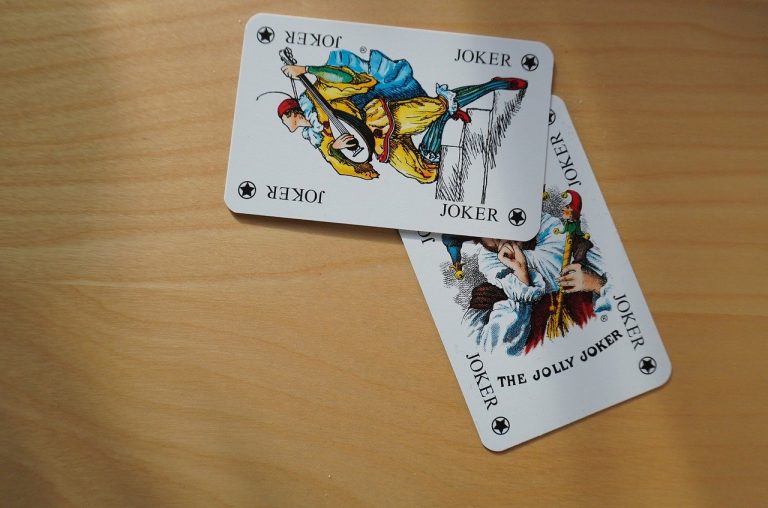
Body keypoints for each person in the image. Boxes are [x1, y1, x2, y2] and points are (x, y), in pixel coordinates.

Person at [278, 49, 528, 182]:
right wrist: (336, 147)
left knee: (438, 106)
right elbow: (340, 162)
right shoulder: (316, 137)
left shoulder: (318, 95)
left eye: (284, 117)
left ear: (292, 112)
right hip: (381, 145)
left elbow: (346, 78)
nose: (285, 122)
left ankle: (493, 85)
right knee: (426, 173)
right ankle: (442, 121)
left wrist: (307, 69)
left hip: (382, 117)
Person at [447, 191, 611, 356]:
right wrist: (522, 275)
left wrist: (595, 283)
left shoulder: (573, 245)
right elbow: (493, 353)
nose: (505, 241)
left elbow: (617, 303)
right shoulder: (490, 290)